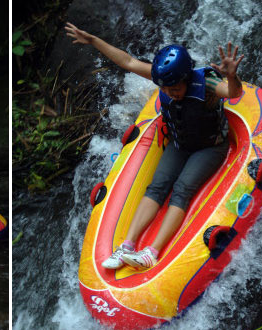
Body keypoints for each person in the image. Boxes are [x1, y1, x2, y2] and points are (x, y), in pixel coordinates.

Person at [65, 22, 244, 269]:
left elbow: (233, 93)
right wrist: (93, 39)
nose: (171, 94)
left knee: (181, 188)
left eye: (176, 89)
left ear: (185, 77)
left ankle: (152, 252)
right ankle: (126, 247)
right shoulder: (166, 79)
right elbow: (127, 62)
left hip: (209, 147)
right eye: (166, 90)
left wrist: (232, 76)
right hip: (180, 144)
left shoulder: (207, 83)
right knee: (157, 187)